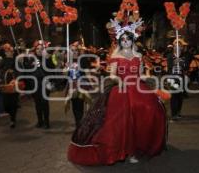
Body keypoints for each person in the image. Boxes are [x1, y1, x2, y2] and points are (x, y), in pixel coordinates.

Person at [67, 19, 168, 165]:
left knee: (152, 109)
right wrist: (119, 81)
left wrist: (151, 79)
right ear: (120, 41)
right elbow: (112, 75)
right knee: (122, 120)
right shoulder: (116, 56)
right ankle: (125, 150)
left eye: (128, 39)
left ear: (132, 40)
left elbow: (141, 75)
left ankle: (140, 147)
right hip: (121, 89)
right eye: (123, 39)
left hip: (138, 87)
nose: (126, 41)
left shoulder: (139, 56)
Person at [31, 40, 55, 129]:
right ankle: (40, 121)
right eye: (37, 49)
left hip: (45, 83)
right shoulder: (32, 59)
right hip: (35, 84)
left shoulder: (47, 58)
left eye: (41, 49)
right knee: (37, 103)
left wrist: (48, 59)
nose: (39, 50)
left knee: (44, 103)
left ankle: (47, 122)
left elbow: (53, 69)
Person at [166, 38, 189, 121]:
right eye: (176, 46)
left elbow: (186, 67)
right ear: (173, 47)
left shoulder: (184, 56)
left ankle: (178, 111)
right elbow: (169, 66)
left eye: (179, 46)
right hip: (172, 78)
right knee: (173, 96)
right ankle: (174, 113)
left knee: (180, 96)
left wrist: (182, 62)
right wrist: (174, 62)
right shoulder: (169, 56)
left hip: (181, 78)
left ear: (181, 48)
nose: (177, 47)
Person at [0, 43, 19, 128]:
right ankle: (10, 113)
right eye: (7, 51)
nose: (9, 53)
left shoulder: (16, 61)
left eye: (10, 51)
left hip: (14, 85)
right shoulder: (3, 61)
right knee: (6, 104)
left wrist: (15, 77)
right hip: (5, 85)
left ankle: (12, 120)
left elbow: (21, 71)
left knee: (13, 103)